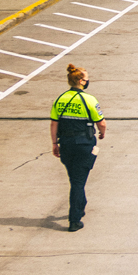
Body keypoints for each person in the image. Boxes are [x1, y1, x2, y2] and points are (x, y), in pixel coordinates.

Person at [50, 64, 106, 232]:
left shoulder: (60, 99)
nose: (88, 81)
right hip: (84, 144)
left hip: (66, 144)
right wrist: (102, 133)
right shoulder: (89, 100)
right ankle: (74, 220)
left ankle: (81, 206)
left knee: (75, 179)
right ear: (81, 81)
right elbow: (101, 123)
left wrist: (54, 143)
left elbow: (54, 124)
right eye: (87, 78)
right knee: (78, 181)